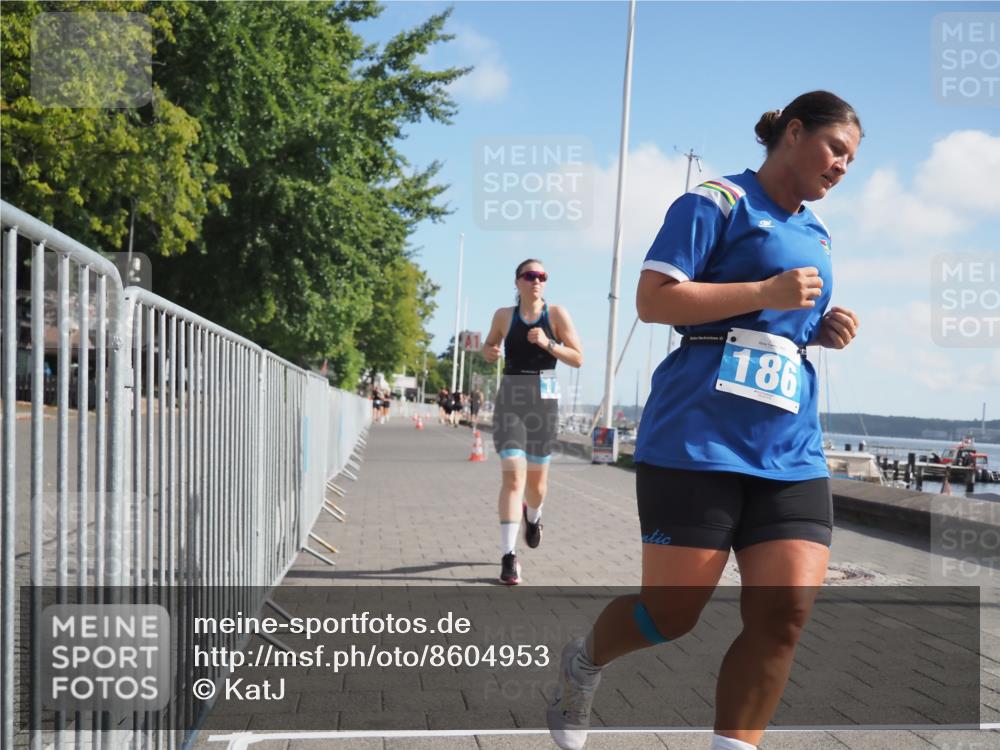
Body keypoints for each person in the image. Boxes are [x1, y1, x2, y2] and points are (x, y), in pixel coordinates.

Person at [547, 91, 862, 750]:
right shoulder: (716, 200)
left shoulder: (818, 232)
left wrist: (816, 328)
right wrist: (765, 294)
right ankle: (584, 662)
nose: (842, 167)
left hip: (790, 448)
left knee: (785, 615)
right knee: (670, 615)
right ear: (795, 133)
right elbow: (653, 299)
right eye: (836, 150)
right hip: (697, 442)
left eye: (851, 161)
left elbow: (780, 323)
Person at [483, 259, 583, 584]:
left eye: (542, 276)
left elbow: (578, 358)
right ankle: (508, 556)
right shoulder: (503, 316)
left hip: (545, 396)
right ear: (518, 282)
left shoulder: (556, 316)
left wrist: (548, 343)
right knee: (513, 478)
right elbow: (488, 346)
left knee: (536, 486)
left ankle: (534, 515)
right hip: (512, 395)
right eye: (530, 276)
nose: (536, 281)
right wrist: (491, 353)